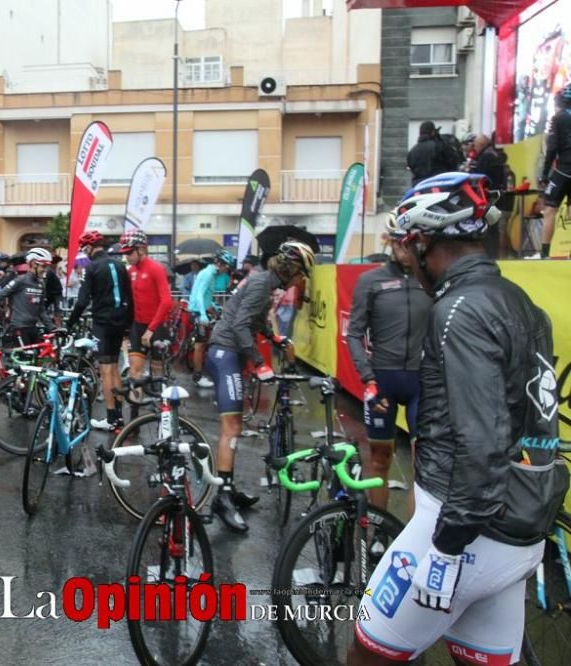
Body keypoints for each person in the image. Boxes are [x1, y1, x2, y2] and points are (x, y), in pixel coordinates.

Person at [351, 172, 568, 664]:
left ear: (425, 240)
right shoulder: (524, 305)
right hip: (518, 529)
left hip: (463, 532)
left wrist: (446, 549)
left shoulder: (459, 309)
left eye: (407, 247)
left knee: (366, 654)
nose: (406, 259)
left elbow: (480, 440)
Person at [204, 240, 315, 532]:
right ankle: (222, 498)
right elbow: (241, 325)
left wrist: (272, 337)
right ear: (291, 270)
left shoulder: (266, 284)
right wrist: (259, 362)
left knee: (236, 426)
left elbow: (253, 320)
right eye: (302, 273)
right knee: (232, 429)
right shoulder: (260, 284)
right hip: (224, 353)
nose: (302, 280)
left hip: (231, 352)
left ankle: (228, 488)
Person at [345, 217, 431, 513]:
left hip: (423, 382)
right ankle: (379, 530)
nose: (407, 251)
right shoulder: (371, 281)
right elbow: (354, 333)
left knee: (425, 466)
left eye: (413, 244)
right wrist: (367, 379)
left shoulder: (431, 279)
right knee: (379, 459)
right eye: (400, 244)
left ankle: (414, 539)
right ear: (390, 242)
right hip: (382, 381)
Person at [66, 231, 133, 431]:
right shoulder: (121, 265)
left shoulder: (92, 267)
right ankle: (120, 415)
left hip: (102, 323)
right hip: (120, 321)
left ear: (89, 247)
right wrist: (128, 324)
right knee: (114, 366)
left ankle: (111, 418)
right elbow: (130, 296)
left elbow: (82, 300)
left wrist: (69, 323)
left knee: (105, 369)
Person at [119, 230, 173, 389]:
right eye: (124, 253)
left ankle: (160, 406)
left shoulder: (156, 268)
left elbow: (166, 301)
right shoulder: (131, 271)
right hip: (138, 325)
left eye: (129, 252)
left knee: (157, 373)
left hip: (156, 327)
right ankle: (135, 412)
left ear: (141, 249)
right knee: (135, 372)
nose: (126, 257)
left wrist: (151, 329)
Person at [188, 250, 235, 388]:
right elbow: (199, 296)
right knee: (200, 345)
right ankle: (197, 376)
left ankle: (200, 372)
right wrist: (202, 313)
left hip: (200, 310)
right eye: (226, 267)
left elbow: (206, 295)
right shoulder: (208, 274)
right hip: (197, 312)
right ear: (220, 264)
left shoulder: (211, 273)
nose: (227, 270)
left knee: (202, 344)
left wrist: (213, 306)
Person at [0, 247, 56, 345]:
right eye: (43, 266)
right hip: (18, 328)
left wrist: (53, 328)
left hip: (32, 328)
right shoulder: (20, 280)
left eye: (47, 267)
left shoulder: (41, 284)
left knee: (42, 358)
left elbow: (41, 310)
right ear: (32, 264)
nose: (45, 270)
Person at [540, 83, 571, 258]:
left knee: (550, 210)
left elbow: (552, 148)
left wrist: (544, 174)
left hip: (563, 170)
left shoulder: (559, 118)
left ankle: (545, 253)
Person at [406, 121, 459, 186]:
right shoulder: (439, 146)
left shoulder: (412, 151)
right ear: (433, 132)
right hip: (438, 184)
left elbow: (411, 167)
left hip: (419, 186)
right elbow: (453, 161)